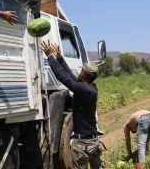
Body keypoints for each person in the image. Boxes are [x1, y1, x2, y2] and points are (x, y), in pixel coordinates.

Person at [40, 40, 103, 169]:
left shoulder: (82, 89)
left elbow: (63, 77)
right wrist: (60, 58)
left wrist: (50, 56)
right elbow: (72, 78)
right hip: (93, 142)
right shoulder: (90, 89)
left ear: (83, 73)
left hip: (82, 144)